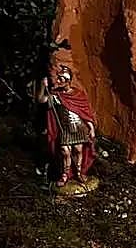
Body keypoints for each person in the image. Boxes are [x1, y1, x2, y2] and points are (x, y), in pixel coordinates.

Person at [37, 63, 98, 192]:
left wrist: (91, 128)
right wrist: (43, 86)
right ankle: (65, 175)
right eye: (58, 78)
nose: (58, 81)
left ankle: (79, 173)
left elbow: (85, 113)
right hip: (64, 129)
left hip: (79, 128)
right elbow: (41, 100)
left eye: (61, 79)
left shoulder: (78, 94)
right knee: (65, 151)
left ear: (68, 81)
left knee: (78, 150)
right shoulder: (56, 95)